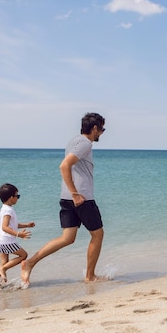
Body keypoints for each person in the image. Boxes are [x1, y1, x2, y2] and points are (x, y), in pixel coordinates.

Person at [21, 112, 107, 288]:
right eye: (102, 129)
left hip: (67, 197)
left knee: (67, 238)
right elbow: (64, 165)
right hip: (81, 198)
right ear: (95, 128)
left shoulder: (73, 141)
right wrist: (75, 193)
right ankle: (90, 276)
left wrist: (71, 194)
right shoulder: (85, 143)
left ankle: (30, 263)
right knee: (98, 234)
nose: (102, 133)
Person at [0, 183, 35, 288]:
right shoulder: (8, 210)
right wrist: (18, 234)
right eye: (17, 196)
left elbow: (13, 225)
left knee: (4, 263)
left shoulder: (4, 208)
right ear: (11, 198)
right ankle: (1, 270)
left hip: (0, 240)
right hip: (7, 240)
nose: (18, 198)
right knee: (23, 255)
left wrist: (27, 225)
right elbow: (5, 227)